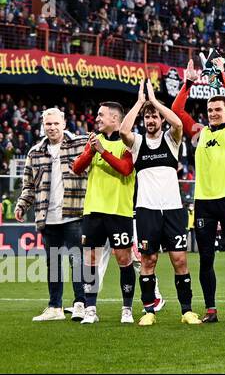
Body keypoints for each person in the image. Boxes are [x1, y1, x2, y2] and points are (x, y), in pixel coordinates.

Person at [171, 56, 225, 322]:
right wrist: (188, 84)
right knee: (205, 258)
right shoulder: (199, 132)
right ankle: (210, 310)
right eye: (210, 109)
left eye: (219, 109)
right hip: (204, 202)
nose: (214, 113)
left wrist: (222, 74)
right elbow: (175, 110)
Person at [120, 79, 200, 325]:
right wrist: (140, 103)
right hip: (147, 211)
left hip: (173, 210)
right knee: (148, 260)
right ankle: (149, 312)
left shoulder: (172, 139)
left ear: (161, 120)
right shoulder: (137, 144)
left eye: (155, 117)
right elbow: (123, 131)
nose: (151, 121)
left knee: (180, 260)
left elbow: (177, 122)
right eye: (148, 118)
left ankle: (186, 310)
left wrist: (154, 101)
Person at [16, 107, 89, 321]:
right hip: (47, 217)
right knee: (54, 263)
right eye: (48, 124)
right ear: (43, 126)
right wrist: (22, 205)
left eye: (56, 123)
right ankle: (55, 307)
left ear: (64, 124)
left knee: (78, 260)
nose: (53, 127)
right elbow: (29, 186)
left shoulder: (80, 144)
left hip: (75, 214)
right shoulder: (35, 152)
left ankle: (81, 304)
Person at [71, 101, 137, 325]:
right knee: (90, 260)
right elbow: (76, 168)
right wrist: (92, 150)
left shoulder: (129, 142)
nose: (97, 119)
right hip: (93, 210)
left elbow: (126, 169)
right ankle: (90, 309)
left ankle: (126, 309)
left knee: (124, 259)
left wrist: (102, 151)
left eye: (101, 115)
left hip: (119, 211)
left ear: (115, 119)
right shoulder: (94, 143)